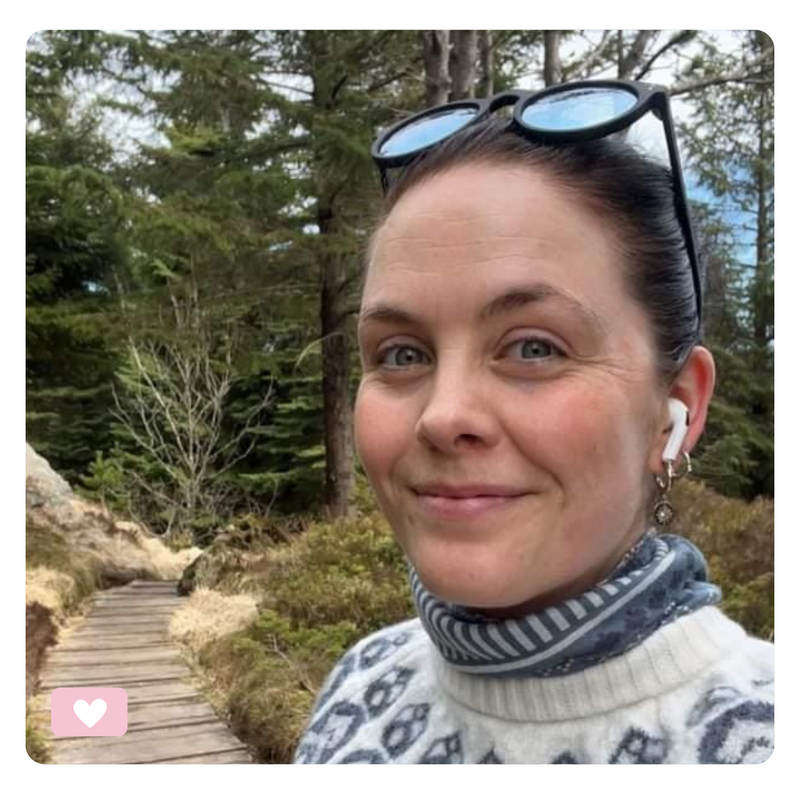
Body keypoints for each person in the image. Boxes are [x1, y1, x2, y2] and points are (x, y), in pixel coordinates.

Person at [293, 81, 774, 765]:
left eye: (534, 348)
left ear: (680, 408)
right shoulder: (360, 682)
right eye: (402, 354)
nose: (443, 416)